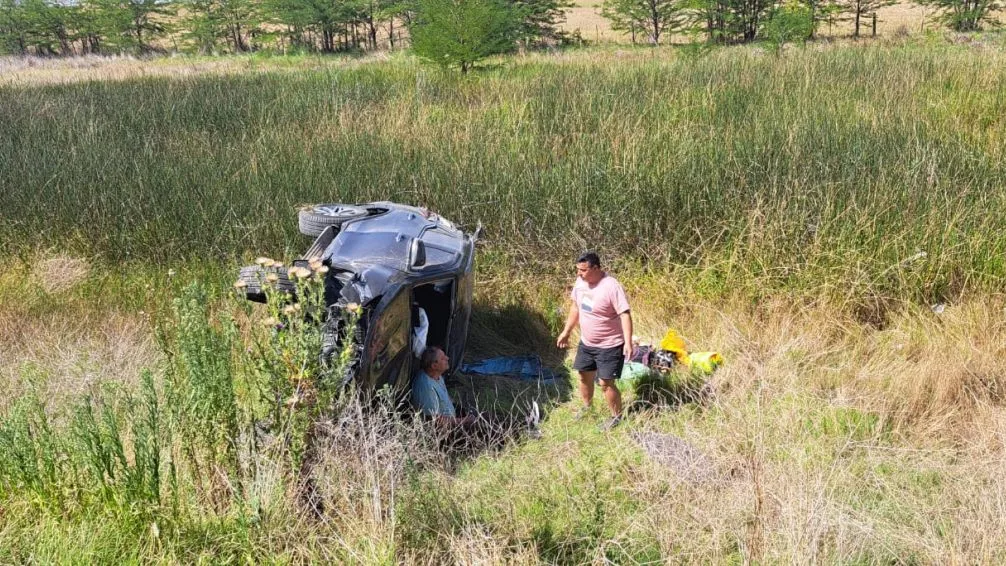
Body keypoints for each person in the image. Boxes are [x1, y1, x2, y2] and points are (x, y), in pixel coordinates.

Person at [556, 252, 633, 430]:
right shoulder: (580, 284)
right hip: (587, 343)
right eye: (577, 270)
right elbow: (576, 307)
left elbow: (625, 314)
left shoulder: (611, 286)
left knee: (605, 383)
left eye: (583, 270)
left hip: (610, 345)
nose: (579, 274)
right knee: (584, 376)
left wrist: (628, 342)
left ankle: (616, 417)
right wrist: (566, 331)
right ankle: (587, 407)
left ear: (596, 268)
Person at [412, 346, 476, 427]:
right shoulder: (426, 387)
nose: (447, 358)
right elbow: (435, 421)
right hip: (445, 430)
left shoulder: (437, 376)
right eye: (442, 358)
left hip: (453, 419)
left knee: (485, 417)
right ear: (434, 366)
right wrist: (464, 420)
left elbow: (445, 397)